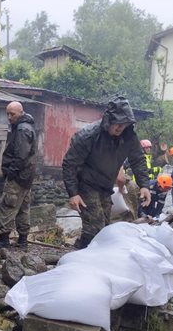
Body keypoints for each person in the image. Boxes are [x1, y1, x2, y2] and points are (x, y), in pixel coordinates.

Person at [62, 96, 151, 249]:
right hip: (86, 184)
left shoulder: (129, 136)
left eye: (125, 124)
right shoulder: (89, 136)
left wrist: (144, 185)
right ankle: (83, 261)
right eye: (118, 123)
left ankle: (88, 253)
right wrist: (73, 193)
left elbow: (138, 159)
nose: (120, 128)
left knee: (104, 227)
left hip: (106, 186)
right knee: (95, 227)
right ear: (109, 119)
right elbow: (69, 164)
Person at [0, 101, 37, 250]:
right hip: (26, 176)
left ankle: (3, 240)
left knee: (7, 205)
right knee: (22, 208)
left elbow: (21, 155)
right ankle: (22, 240)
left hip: (18, 176)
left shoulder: (22, 129)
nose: (9, 117)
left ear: (20, 113)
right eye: (7, 113)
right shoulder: (26, 127)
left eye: (12, 114)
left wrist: (11, 172)